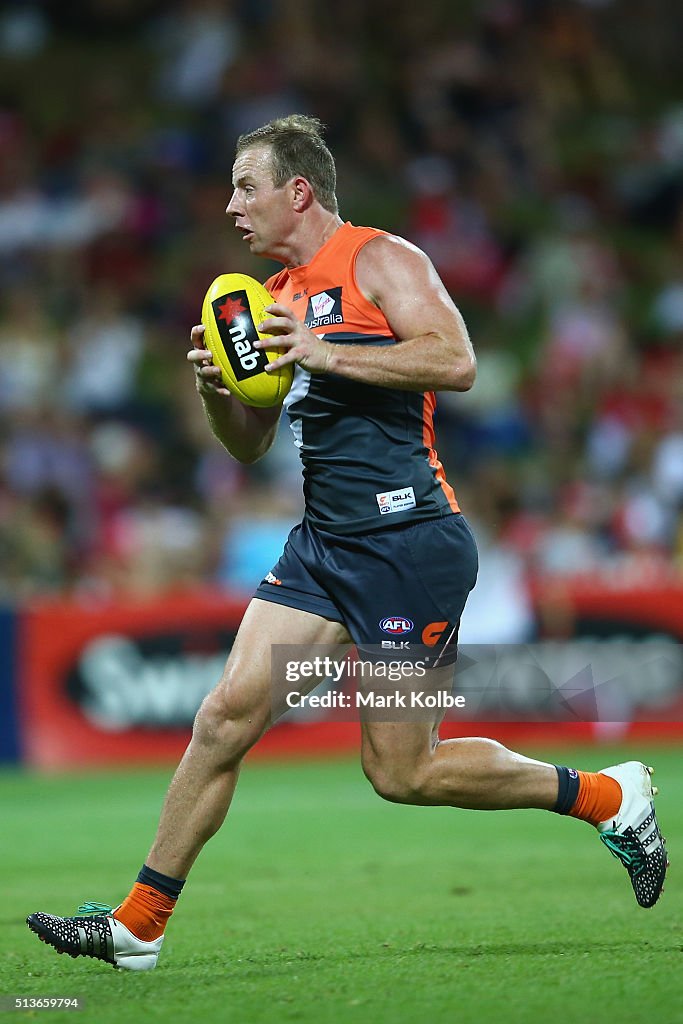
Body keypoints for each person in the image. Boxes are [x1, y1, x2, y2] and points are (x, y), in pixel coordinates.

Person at [27, 115, 667, 971]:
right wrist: (221, 390)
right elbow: (251, 444)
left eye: (244, 187)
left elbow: (454, 359)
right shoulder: (276, 299)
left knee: (402, 772)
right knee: (222, 717)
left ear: (297, 191)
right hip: (323, 550)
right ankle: (138, 923)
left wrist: (324, 353)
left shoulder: (381, 259)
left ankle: (607, 796)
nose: (229, 207)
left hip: (409, 548)